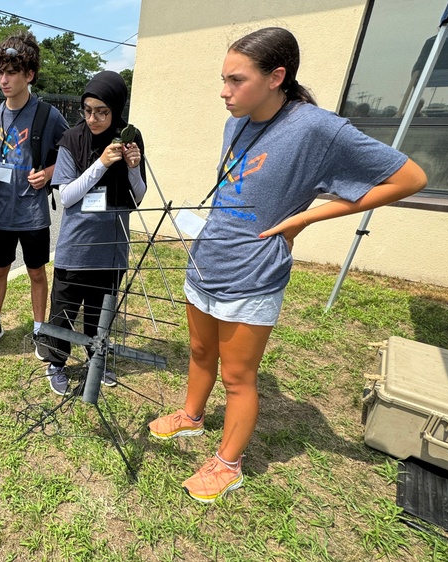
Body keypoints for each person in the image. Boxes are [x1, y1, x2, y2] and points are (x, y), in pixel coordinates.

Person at [148, 27, 427, 503]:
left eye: (236, 80)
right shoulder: (235, 119)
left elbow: (410, 177)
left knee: (238, 377)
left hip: (253, 274)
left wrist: (309, 216)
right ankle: (192, 417)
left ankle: (228, 464)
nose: (223, 91)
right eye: (222, 78)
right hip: (208, 258)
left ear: (277, 76)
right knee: (199, 353)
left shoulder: (318, 129)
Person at [41, 71, 147, 396]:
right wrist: (101, 163)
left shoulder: (130, 138)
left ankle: (95, 361)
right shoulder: (72, 140)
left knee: (101, 312)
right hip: (77, 245)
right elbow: (67, 195)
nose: (93, 118)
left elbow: (139, 197)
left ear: (116, 110)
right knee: (63, 312)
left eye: (102, 112)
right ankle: (55, 363)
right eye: (87, 110)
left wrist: (132, 167)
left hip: (112, 247)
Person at [0, 31, 69, 355]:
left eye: (11, 72)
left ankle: (41, 328)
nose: (4, 79)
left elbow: (72, 154)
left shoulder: (47, 115)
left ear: (29, 74)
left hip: (33, 214)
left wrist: (49, 173)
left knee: (36, 271)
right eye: (0, 72)